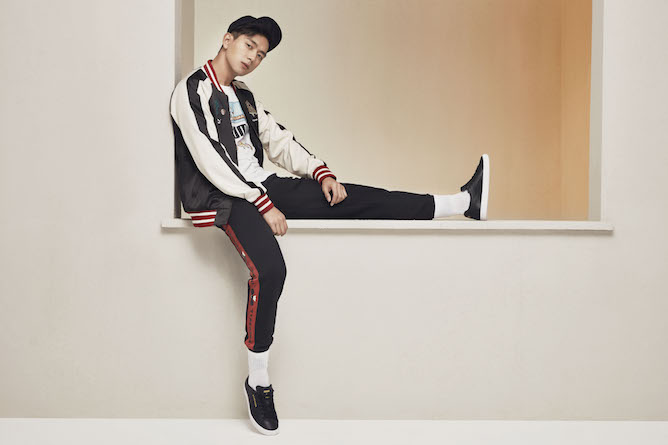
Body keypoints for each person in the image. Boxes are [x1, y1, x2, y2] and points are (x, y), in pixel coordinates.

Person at [169, 15, 490, 436]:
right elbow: (211, 158)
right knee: (270, 270)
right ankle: (259, 380)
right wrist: (262, 203)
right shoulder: (193, 89)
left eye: (261, 55)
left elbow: (278, 140)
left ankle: (461, 203)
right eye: (249, 46)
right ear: (228, 40)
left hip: (260, 187)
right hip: (226, 196)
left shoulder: (243, 96)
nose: (253, 58)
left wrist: (320, 171)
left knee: (351, 197)